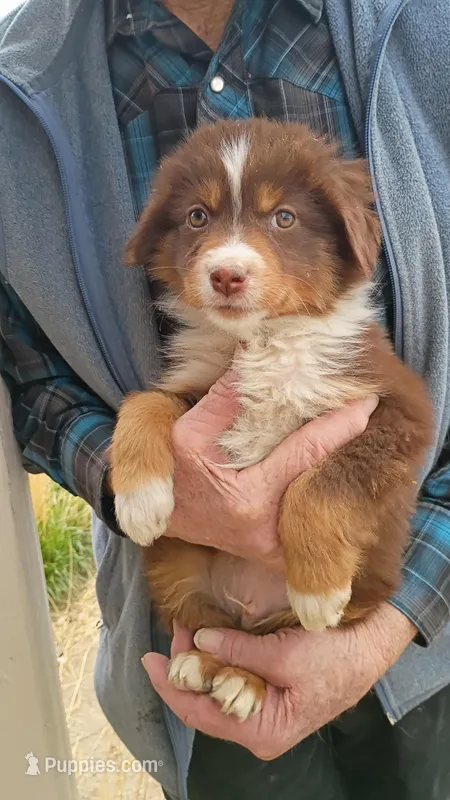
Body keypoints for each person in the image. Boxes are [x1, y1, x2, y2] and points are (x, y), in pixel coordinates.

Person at [1, 1, 450, 798]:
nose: (232, 254)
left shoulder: (425, 26)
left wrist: (391, 608)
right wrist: (128, 470)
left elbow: (399, 427)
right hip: (205, 656)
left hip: (421, 634)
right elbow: (31, 380)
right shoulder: (19, 83)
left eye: (280, 219)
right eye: (200, 219)